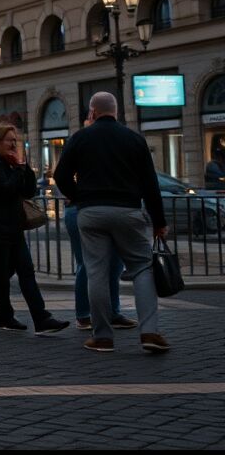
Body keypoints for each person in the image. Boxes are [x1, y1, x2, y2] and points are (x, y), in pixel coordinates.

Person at [54, 92, 169, 353]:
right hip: (128, 210)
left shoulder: (80, 138)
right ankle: (150, 332)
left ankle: (102, 336)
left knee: (96, 271)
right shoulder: (134, 139)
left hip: (91, 211)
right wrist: (159, 221)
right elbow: (151, 185)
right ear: (115, 111)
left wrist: (78, 195)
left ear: (92, 112)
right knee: (141, 267)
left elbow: (61, 175)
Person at [0, 123, 69, 335]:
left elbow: (28, 191)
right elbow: (5, 190)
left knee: (23, 271)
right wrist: (17, 169)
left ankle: (41, 318)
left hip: (12, 228)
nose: (13, 144)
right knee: (2, 275)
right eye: (9, 140)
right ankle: (4, 316)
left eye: (15, 140)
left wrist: (24, 167)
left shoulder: (9, 163)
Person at [63, 115, 136, 331]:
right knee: (87, 264)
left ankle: (112, 312)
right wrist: (78, 197)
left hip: (98, 208)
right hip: (82, 210)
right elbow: (62, 174)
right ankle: (84, 314)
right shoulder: (80, 143)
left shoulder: (103, 146)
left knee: (114, 264)